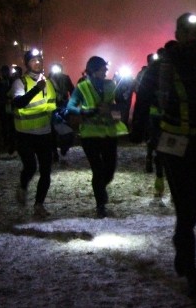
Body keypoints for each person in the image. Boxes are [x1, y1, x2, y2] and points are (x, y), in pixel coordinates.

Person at [130, 12, 196, 297]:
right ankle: (191, 269)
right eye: (187, 31)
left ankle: (181, 239)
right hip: (172, 141)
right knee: (184, 204)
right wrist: (138, 129)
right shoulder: (160, 67)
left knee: (194, 206)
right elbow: (141, 98)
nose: (192, 37)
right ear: (177, 34)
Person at [66, 56, 129, 218]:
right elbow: (70, 107)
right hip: (90, 135)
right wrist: (85, 112)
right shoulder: (82, 87)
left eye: (106, 69)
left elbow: (116, 108)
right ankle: (100, 204)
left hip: (109, 134)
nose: (106, 72)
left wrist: (112, 111)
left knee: (110, 170)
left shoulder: (111, 85)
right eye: (103, 69)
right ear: (93, 71)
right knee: (98, 170)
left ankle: (100, 189)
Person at [11, 49, 57, 218]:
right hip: (25, 134)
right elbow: (19, 103)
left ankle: (39, 205)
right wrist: (37, 89)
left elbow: (52, 106)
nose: (38, 62)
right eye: (33, 60)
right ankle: (22, 187)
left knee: (46, 171)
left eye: (40, 60)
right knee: (30, 167)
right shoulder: (20, 82)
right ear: (27, 63)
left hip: (45, 133)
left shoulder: (49, 83)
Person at [135, 51, 166, 197]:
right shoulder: (147, 74)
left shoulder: (171, 74)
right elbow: (140, 91)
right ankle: (150, 159)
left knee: (164, 144)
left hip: (167, 115)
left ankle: (160, 172)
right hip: (155, 113)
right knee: (156, 141)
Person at [48, 62, 75, 161]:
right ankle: (54, 152)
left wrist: (73, 103)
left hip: (64, 107)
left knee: (66, 129)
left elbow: (72, 90)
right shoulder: (48, 80)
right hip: (52, 108)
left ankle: (64, 147)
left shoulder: (66, 78)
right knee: (52, 132)